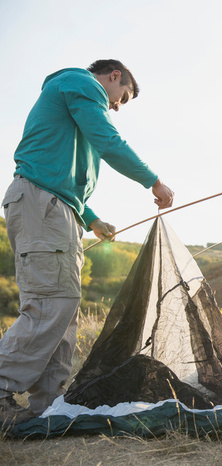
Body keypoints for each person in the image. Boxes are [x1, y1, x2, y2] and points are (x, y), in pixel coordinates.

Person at [0, 59, 175, 425]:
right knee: (51, 302)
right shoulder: (81, 85)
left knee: (63, 310)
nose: (114, 107)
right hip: (42, 206)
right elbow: (107, 141)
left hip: (56, 208)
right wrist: (152, 180)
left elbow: (59, 172)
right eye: (120, 99)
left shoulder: (72, 99)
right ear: (114, 77)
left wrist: (91, 219)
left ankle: (45, 407)